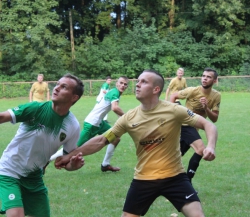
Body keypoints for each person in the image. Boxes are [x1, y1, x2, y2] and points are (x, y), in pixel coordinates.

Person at [55, 69, 218, 217]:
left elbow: (208, 124)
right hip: (143, 179)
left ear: (156, 89)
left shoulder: (173, 110)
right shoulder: (129, 118)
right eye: (138, 81)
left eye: (143, 82)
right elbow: (102, 140)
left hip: (174, 177)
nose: (137, 84)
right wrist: (70, 155)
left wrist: (210, 146)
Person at [0, 73, 85, 217]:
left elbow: (65, 161)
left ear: (74, 97)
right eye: (57, 84)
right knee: (16, 214)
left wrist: (73, 166)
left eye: (63, 87)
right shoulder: (35, 109)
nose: (56, 88)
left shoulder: (72, 126)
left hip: (34, 177)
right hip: (9, 170)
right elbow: (2, 116)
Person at [50, 76, 129, 172]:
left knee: (116, 138)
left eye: (125, 84)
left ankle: (105, 165)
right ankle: (47, 160)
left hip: (99, 123)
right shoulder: (115, 92)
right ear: (116, 83)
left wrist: (121, 118)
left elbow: (113, 108)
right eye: (121, 83)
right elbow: (115, 108)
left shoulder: (114, 92)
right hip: (92, 123)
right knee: (73, 148)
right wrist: (127, 118)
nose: (123, 85)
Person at [170, 67, 221, 183]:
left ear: (214, 81)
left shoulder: (216, 96)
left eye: (208, 77)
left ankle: (159, 177)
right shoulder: (192, 90)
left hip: (194, 129)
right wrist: (171, 114)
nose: (205, 79)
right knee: (200, 149)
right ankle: (187, 182)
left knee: (174, 157)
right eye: (203, 76)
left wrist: (206, 108)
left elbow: (214, 118)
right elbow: (173, 96)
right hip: (184, 125)